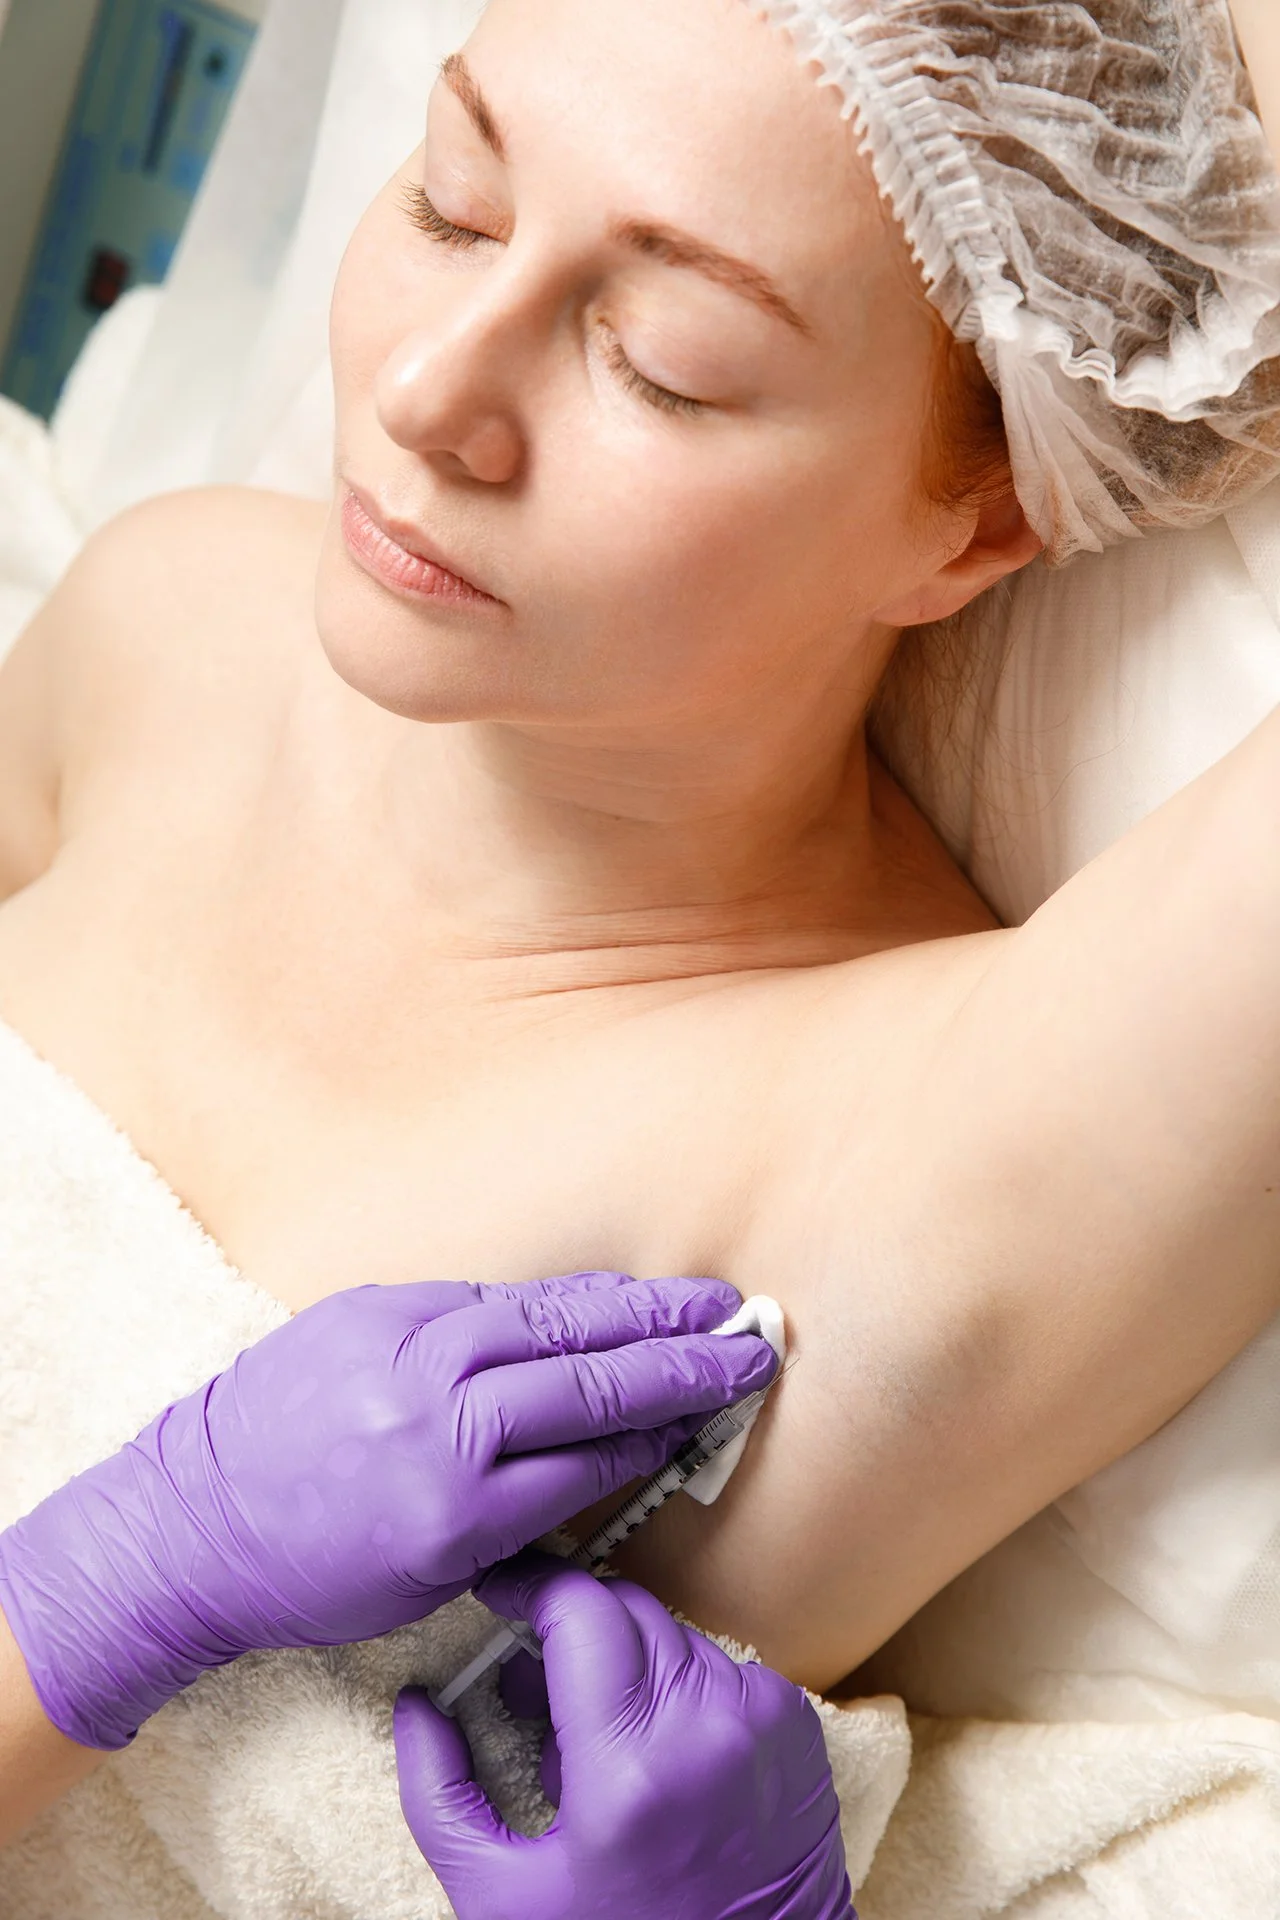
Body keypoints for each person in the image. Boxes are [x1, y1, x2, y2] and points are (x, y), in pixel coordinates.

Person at [0, 0, 1278, 1909]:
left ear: (980, 518)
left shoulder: (928, 1147)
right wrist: (78, 1615)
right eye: (453, 198)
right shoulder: (166, 612)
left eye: (663, 364)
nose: (431, 389)